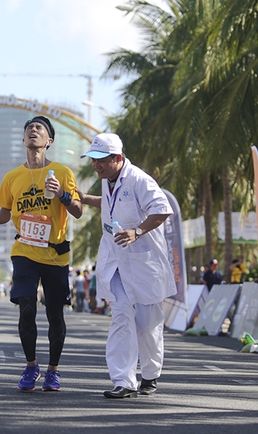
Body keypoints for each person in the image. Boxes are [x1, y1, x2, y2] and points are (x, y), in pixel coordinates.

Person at [75, 132, 175, 399]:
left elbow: (163, 209)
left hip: (144, 264)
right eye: (92, 160)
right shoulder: (108, 181)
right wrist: (84, 198)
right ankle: (123, 381)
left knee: (148, 324)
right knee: (120, 317)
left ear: (117, 158)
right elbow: (108, 204)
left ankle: (151, 375)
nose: (95, 165)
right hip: (116, 263)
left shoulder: (139, 179)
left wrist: (137, 231)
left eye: (100, 160)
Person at [0, 115, 82, 392]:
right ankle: (31, 366)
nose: (33, 130)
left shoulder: (63, 173)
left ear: (49, 141)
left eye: (39, 128)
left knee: (55, 314)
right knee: (26, 308)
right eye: (29, 128)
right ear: (23, 139)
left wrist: (62, 194)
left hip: (55, 255)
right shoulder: (12, 177)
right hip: (24, 251)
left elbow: (77, 211)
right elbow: (6, 211)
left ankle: (53, 371)